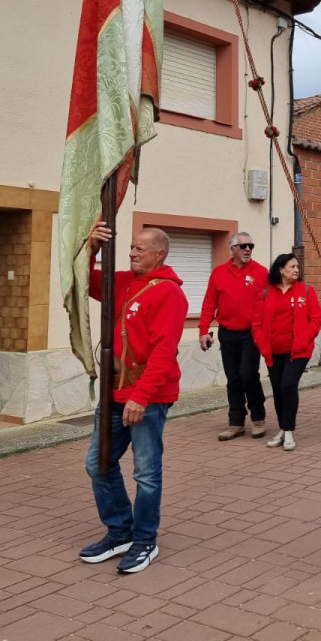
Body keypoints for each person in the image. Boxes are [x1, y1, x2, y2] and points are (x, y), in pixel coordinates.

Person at [79, 222, 187, 574]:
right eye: (130, 248)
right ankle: (119, 531)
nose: (131, 253)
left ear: (160, 254)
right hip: (114, 393)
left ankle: (144, 540)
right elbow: (81, 281)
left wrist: (141, 397)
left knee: (146, 473)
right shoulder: (124, 282)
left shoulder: (169, 293)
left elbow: (163, 352)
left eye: (139, 249)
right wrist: (91, 248)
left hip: (147, 397)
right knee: (98, 464)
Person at [198, 233, 270, 441]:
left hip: (251, 333)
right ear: (233, 249)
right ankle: (236, 422)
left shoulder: (261, 272)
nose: (248, 250)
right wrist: (204, 329)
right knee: (234, 378)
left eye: (251, 246)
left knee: (248, 374)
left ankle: (258, 417)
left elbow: (269, 303)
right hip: (227, 332)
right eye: (243, 246)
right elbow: (209, 303)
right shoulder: (219, 273)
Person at [252, 253, 321, 451]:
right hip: (273, 351)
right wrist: (260, 342)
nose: (296, 269)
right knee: (277, 388)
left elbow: (316, 319)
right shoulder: (266, 293)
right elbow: (256, 323)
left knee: (288, 385)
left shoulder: (307, 291)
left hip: (298, 351)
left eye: (297, 267)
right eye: (292, 266)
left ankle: (289, 431)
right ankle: (283, 429)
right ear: (281, 269)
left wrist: (304, 338)